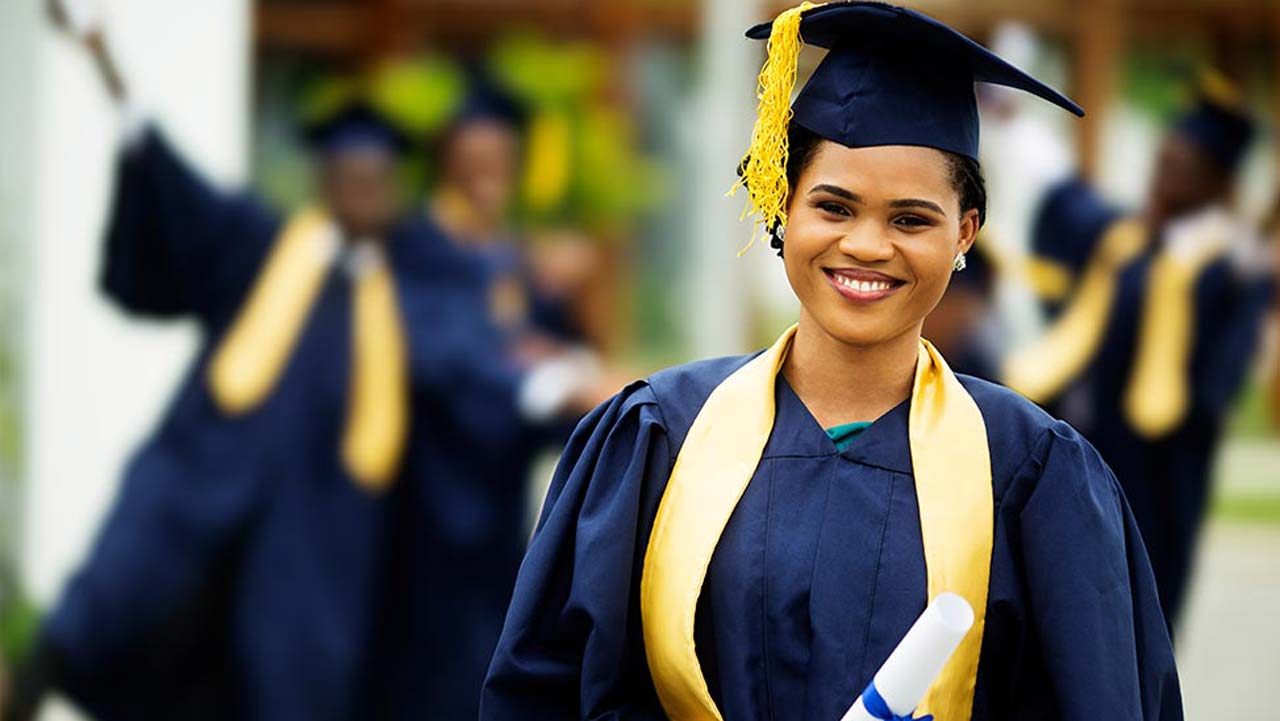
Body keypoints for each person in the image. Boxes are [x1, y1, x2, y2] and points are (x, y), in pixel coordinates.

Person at [481, 3, 1181, 720]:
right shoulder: (661, 435)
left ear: (965, 232)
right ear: (782, 205)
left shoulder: (1032, 470)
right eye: (834, 207)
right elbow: (546, 692)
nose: (868, 246)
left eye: (911, 218)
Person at [5, 6, 607, 721]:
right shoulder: (263, 248)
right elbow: (171, 187)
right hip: (200, 498)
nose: (363, 189)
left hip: (318, 550)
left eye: (378, 177)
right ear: (323, 179)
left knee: (293, 688)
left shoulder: (413, 288)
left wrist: (563, 379)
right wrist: (107, 63)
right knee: (111, 621)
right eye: (349, 174)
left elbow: (476, 365)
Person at [1003, 71, 1275, 632]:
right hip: (1077, 464)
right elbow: (1058, 202)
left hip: (1157, 487)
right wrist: (1016, 123)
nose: (1161, 173)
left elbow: (1211, 395)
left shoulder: (1230, 273)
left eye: (1179, 166)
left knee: (1130, 636)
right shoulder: (1121, 243)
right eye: (1161, 159)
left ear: (1216, 184)